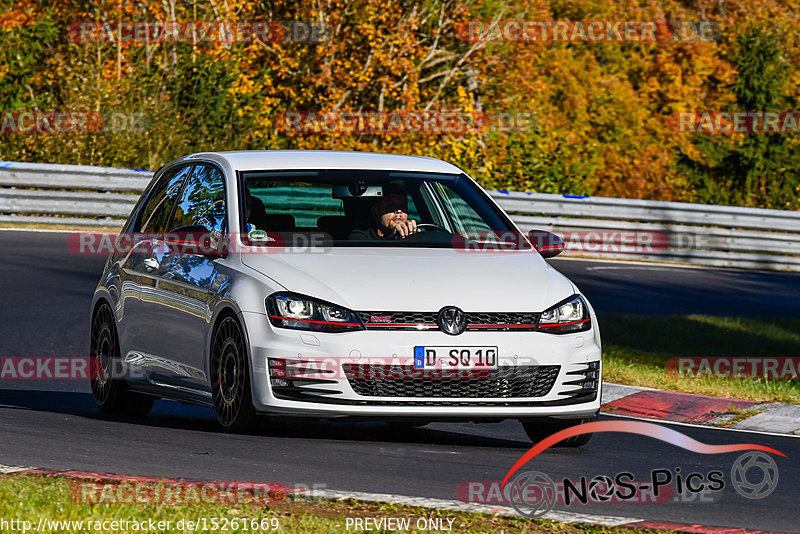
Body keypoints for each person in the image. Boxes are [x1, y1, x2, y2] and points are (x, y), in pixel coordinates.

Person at [348, 184, 419, 240]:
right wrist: (393, 236)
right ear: (375, 212)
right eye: (391, 206)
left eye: (403, 206)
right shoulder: (360, 237)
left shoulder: (413, 236)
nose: (399, 211)